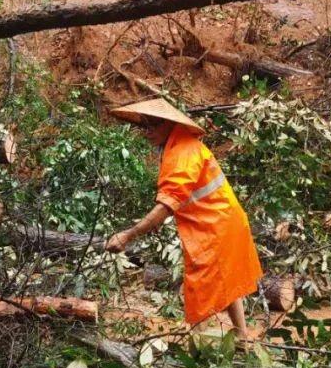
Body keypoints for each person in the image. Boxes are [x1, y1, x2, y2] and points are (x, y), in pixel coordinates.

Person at [105, 98, 262, 340]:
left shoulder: (183, 152)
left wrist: (128, 235)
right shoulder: (178, 146)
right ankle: (241, 338)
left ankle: (198, 345)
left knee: (199, 286)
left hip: (215, 226)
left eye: (153, 126)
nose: (147, 132)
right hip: (220, 222)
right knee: (225, 282)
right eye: (144, 126)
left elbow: (166, 205)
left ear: (168, 124)